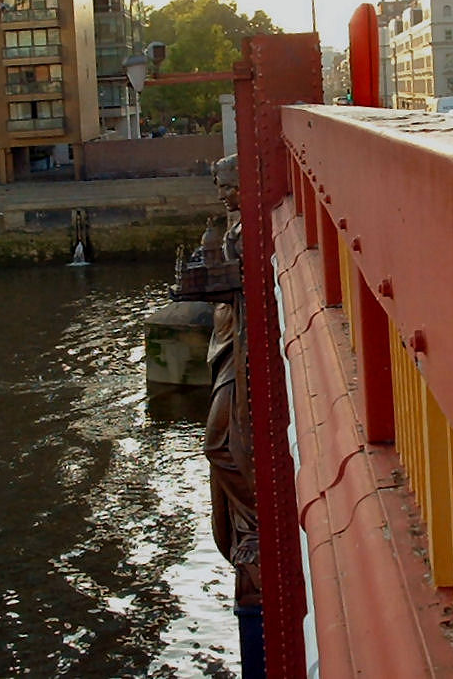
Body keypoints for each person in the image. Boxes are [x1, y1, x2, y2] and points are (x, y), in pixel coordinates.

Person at [203, 153, 264, 677]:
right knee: (221, 440)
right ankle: (247, 524)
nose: (221, 193)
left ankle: (253, 522)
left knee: (220, 442)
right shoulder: (235, 223)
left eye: (226, 184)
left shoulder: (252, 224)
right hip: (228, 346)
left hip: (239, 353)